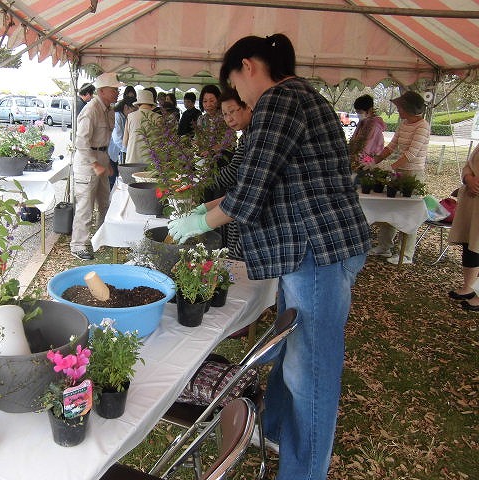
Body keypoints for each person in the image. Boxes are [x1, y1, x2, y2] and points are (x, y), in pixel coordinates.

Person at [168, 34, 370, 480]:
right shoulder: (300, 97)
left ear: (247, 66)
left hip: (317, 251)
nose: (237, 95)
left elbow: (250, 192)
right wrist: (204, 208)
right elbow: (257, 177)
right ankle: (274, 428)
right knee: (289, 349)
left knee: (310, 375)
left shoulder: (279, 99)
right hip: (318, 248)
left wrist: (199, 224)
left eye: (234, 84)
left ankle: (302, 472)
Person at [369, 91, 430, 264]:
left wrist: (390, 167)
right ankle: (384, 247)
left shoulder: (423, 126)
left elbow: (411, 154)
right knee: (390, 208)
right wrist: (374, 161)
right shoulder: (403, 123)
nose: (398, 110)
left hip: (413, 174)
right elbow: (391, 146)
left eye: (400, 107)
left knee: (409, 212)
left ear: (408, 108)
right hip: (399, 172)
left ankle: (407, 254)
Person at [70, 73, 120, 261]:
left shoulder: (109, 109)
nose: (117, 92)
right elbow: (81, 142)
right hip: (87, 162)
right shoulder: (91, 109)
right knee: (85, 206)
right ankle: (78, 245)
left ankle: (101, 237)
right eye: (114, 89)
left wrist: (104, 162)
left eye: (117, 89)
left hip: (102, 158)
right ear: (101, 91)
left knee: (105, 202)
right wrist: (95, 163)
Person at [207, 88, 252, 260]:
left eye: (232, 111)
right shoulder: (245, 135)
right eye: (225, 114)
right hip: (236, 205)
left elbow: (233, 173)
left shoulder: (253, 136)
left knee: (238, 261)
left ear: (247, 107)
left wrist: (205, 183)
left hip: (242, 209)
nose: (229, 118)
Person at [447, 144, 479, 311]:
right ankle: (468, 287)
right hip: (471, 202)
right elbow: (469, 164)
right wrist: (469, 179)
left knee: (477, 245)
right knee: (469, 244)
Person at [122, 89, 161, 164]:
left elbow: (125, 142)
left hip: (133, 160)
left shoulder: (130, 116)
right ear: (152, 104)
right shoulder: (159, 118)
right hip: (152, 161)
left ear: (138, 104)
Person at [348, 94, 386, 166]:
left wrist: (358, 158)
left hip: (366, 162)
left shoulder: (374, 126)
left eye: (360, 112)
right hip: (358, 160)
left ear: (370, 110)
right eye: (357, 112)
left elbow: (368, 146)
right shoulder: (363, 122)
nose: (358, 114)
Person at [108, 97, 137, 189]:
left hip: (117, 153)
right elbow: (117, 139)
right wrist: (129, 151)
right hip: (111, 153)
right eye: (134, 109)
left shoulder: (124, 116)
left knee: (116, 178)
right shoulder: (117, 116)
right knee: (112, 179)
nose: (134, 112)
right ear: (126, 107)